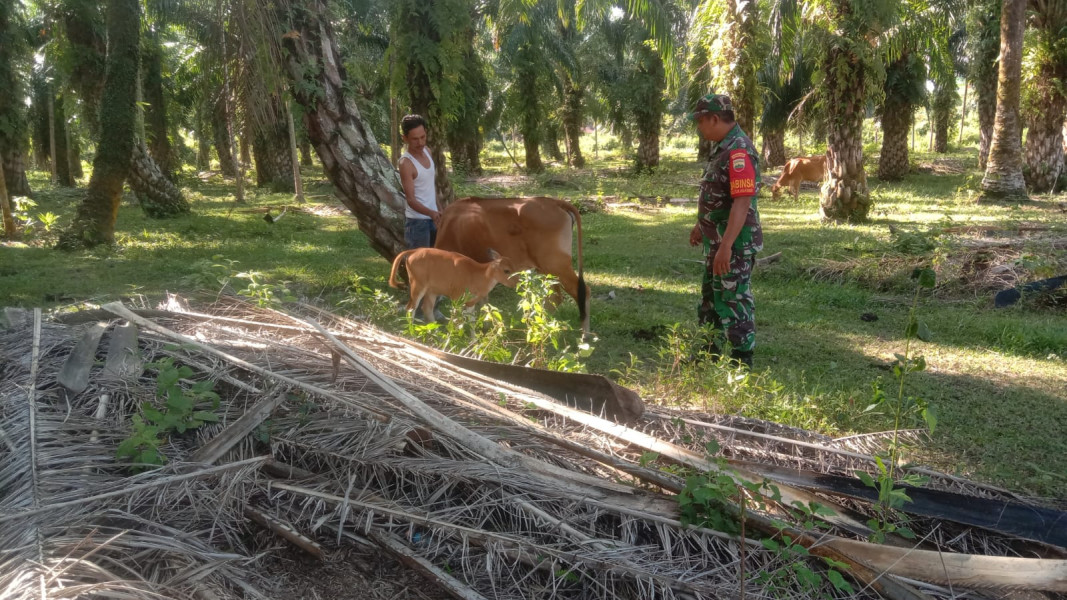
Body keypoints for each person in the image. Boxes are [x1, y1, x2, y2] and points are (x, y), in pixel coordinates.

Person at [688, 94, 763, 368]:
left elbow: (742, 203)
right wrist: (702, 224)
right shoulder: (723, 147)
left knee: (734, 298)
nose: (699, 127)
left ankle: (741, 361)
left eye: (700, 121)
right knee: (711, 297)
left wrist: (727, 245)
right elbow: (720, 194)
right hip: (717, 240)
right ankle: (708, 353)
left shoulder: (739, 151)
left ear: (714, 118)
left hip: (734, 244)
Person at [398, 114, 441, 249]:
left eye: (423, 137)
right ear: (405, 138)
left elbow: (430, 188)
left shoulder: (428, 151)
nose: (420, 143)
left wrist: (439, 210)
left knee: (437, 260)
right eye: (415, 139)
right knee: (421, 263)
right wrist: (431, 213)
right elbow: (411, 200)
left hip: (434, 219)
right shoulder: (406, 163)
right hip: (417, 224)